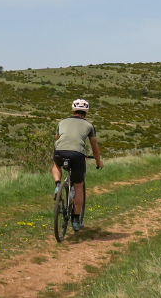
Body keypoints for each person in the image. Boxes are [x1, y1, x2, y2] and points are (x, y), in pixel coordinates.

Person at [52, 99, 103, 231]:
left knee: (56, 165)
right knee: (79, 187)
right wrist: (98, 162)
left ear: (73, 110)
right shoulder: (89, 126)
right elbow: (94, 146)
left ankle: (58, 185)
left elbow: (58, 139)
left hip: (60, 152)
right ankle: (75, 220)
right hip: (77, 155)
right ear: (86, 112)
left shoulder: (61, 122)